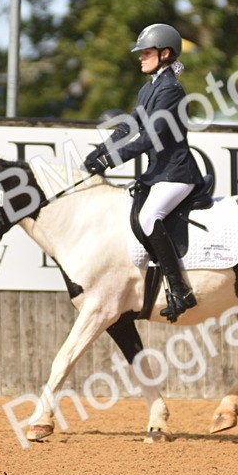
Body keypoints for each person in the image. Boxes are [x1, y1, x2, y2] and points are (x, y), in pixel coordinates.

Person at [83, 23, 202, 322]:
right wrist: (101, 151)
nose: (140, 57)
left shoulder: (171, 91)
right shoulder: (148, 88)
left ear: (165, 54)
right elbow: (129, 126)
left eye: (146, 52)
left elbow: (151, 138)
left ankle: (180, 290)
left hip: (177, 174)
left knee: (149, 217)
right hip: (157, 173)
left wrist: (111, 160)